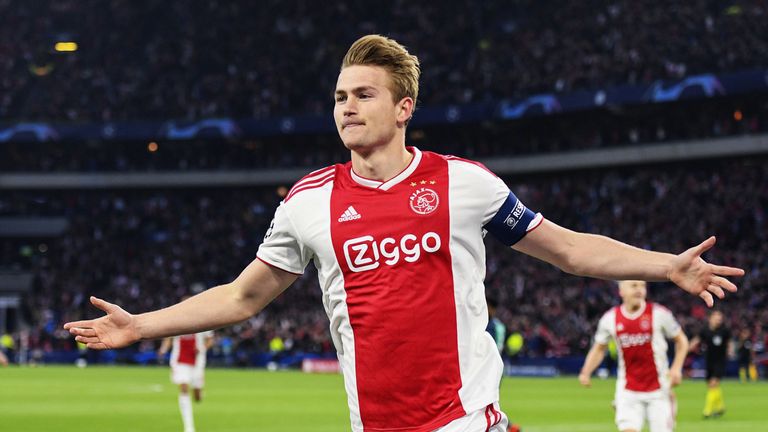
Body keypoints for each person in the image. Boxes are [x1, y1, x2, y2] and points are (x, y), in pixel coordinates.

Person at [64, 34, 744, 432]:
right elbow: (244, 298)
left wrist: (665, 267)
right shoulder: (309, 201)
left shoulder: (463, 183)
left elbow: (566, 248)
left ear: (404, 106)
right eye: (338, 96)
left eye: (363, 94)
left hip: (463, 416)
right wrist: (142, 325)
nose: (347, 107)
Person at [578, 280, 689, 432]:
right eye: (634, 285)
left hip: (659, 390)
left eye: (642, 286)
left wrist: (676, 368)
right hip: (628, 391)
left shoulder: (659, 313)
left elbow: (681, 341)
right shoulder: (610, 319)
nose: (639, 290)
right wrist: (586, 371)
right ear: (621, 291)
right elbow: (599, 348)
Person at [157, 328, 215, 432]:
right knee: (184, 387)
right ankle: (189, 427)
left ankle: (198, 389)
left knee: (197, 397)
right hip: (180, 361)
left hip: (197, 361)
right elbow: (168, 338)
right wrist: (163, 350)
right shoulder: (178, 322)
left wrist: (202, 348)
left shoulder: (203, 323)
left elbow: (210, 340)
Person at [690, 310, 732, 418]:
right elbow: (696, 340)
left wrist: (730, 351)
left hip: (720, 361)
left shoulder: (724, 331)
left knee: (713, 383)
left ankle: (707, 411)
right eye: (716, 317)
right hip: (709, 361)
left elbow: (729, 343)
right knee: (712, 386)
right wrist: (686, 349)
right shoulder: (705, 330)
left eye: (720, 317)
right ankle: (720, 407)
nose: (719, 319)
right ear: (710, 318)